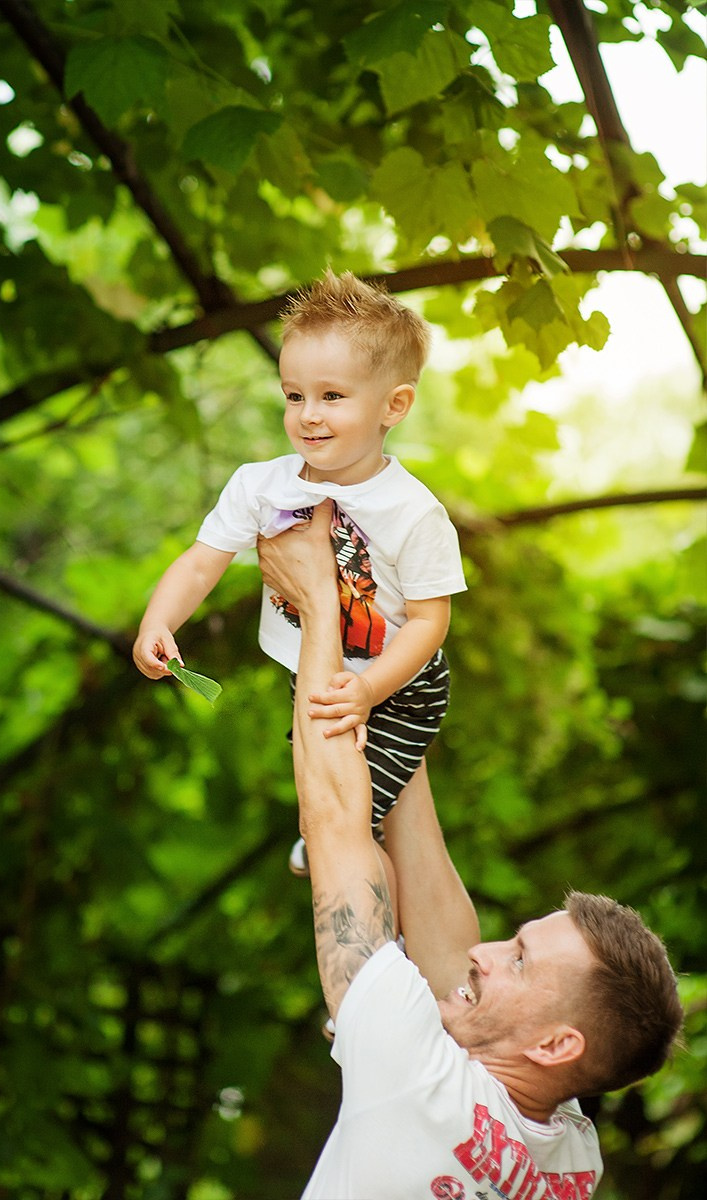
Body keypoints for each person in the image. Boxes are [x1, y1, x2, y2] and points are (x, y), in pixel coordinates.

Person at [256, 500, 684, 1200]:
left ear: (553, 1046)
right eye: (512, 942)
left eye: (516, 959)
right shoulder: (569, 1156)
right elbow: (447, 960)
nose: (483, 953)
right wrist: (385, 681)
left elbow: (334, 821)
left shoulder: (413, 1081)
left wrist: (318, 608)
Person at [133, 270, 466, 883]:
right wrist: (159, 619)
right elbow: (203, 558)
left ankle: (370, 925)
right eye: (294, 396)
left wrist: (370, 692)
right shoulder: (262, 486)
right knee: (327, 800)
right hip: (313, 672)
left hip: (399, 688)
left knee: (348, 822)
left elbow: (430, 622)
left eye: (332, 397)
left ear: (394, 404)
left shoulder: (413, 511)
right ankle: (339, 859)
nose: (308, 415)